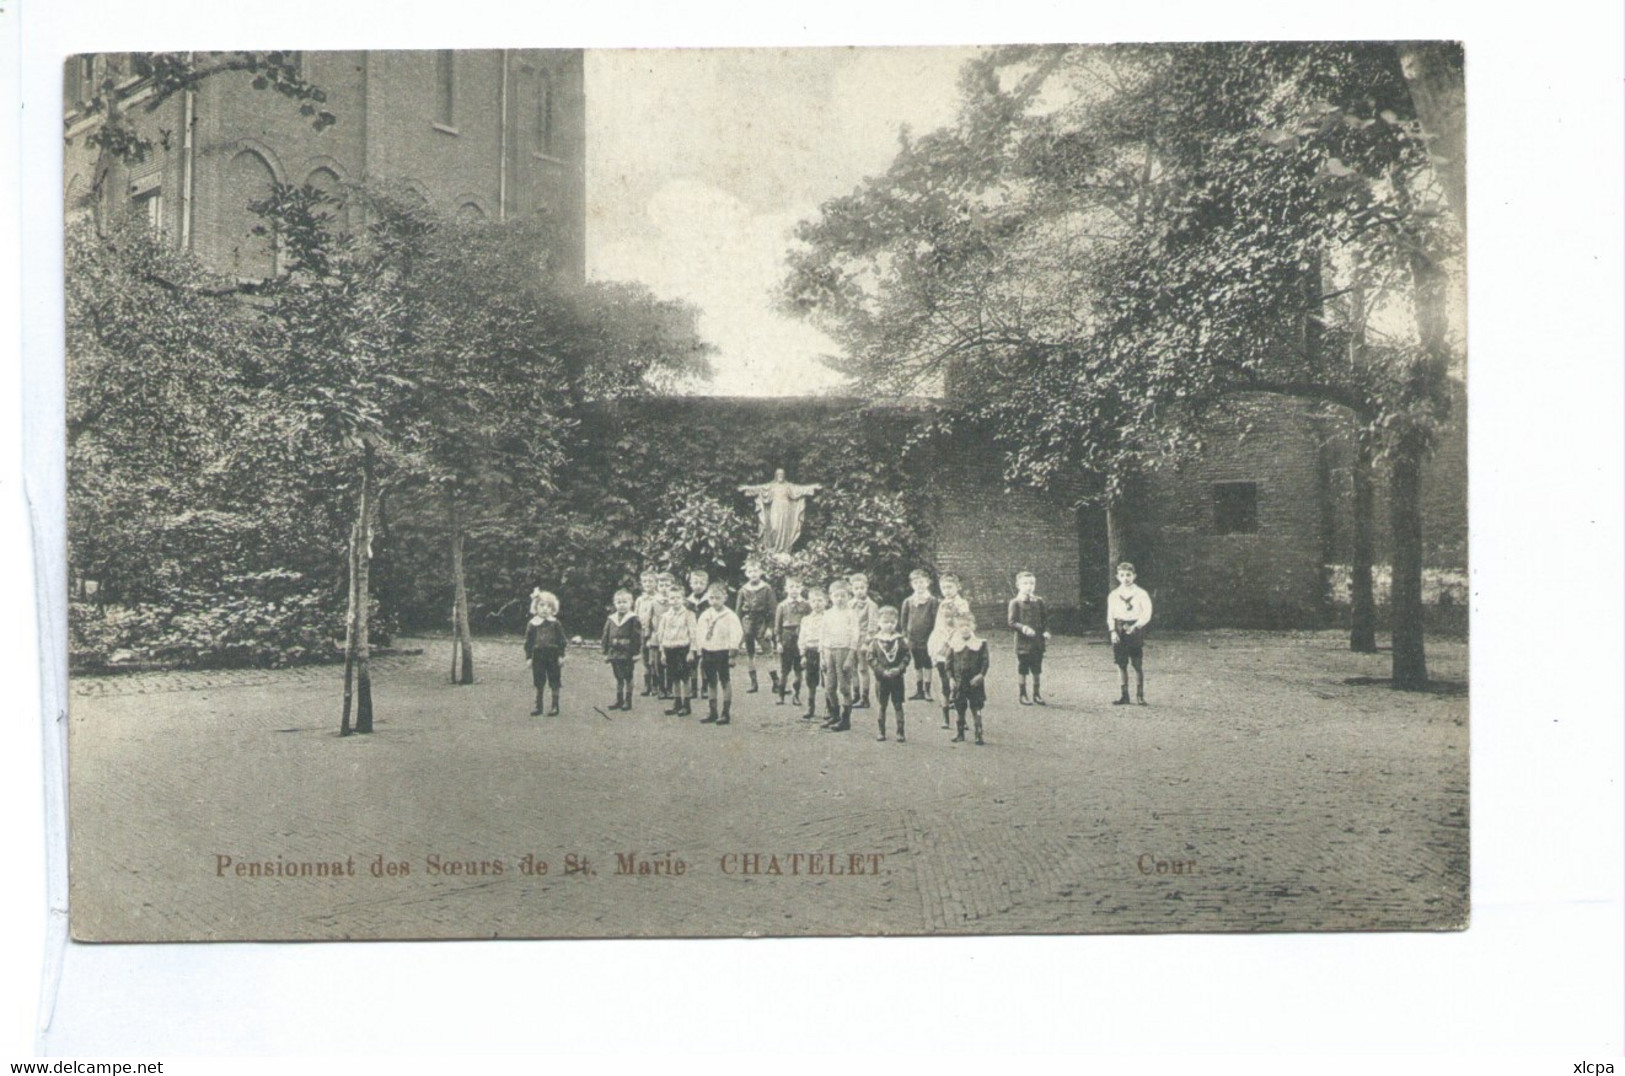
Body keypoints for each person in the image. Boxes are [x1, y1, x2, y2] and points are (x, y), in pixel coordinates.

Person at [737, 468, 822, 553]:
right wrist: (746, 488)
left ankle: (783, 549)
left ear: (784, 476)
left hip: (786, 509)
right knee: (774, 527)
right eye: (779, 474)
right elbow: (759, 488)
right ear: (776, 476)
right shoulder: (771, 486)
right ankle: (772, 548)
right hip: (775, 507)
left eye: (782, 474)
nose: (780, 476)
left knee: (785, 529)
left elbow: (800, 489)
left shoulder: (788, 486)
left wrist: (813, 486)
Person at [695, 582, 745, 725]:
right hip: (708, 651)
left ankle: (725, 713)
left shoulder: (730, 615)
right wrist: (700, 649)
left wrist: (732, 654)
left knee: (724, 680)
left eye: (717, 598)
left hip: (722, 651)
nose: (714, 601)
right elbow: (700, 633)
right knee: (711, 681)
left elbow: (736, 634)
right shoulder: (705, 614)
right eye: (711, 598)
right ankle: (712, 711)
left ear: (725, 598)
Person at [927, 574, 972, 728]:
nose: (947, 590)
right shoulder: (942, 604)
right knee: (944, 680)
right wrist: (935, 644)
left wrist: (954, 639)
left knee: (959, 680)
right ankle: (945, 718)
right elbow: (938, 625)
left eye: (950, 587)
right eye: (944, 587)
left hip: (956, 642)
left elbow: (964, 624)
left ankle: (962, 719)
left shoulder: (962, 604)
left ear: (957, 587)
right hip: (942, 642)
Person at [1108, 562, 1154, 705]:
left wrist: (1136, 626)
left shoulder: (1141, 594)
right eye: (1122, 575)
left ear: (1134, 576)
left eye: (1128, 575)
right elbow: (1110, 614)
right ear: (1117, 577)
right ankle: (1124, 695)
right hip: (1120, 628)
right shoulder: (1114, 595)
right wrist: (1113, 631)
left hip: (1134, 628)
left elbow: (1147, 613)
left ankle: (1140, 695)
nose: (1125, 578)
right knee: (1121, 663)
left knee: (1136, 663)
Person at [819, 580, 861, 732]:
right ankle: (834, 714)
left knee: (844, 687)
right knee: (829, 687)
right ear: (830, 597)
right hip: (829, 651)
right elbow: (823, 635)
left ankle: (845, 719)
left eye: (843, 596)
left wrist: (850, 656)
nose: (840, 599)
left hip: (844, 651)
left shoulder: (851, 614)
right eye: (836, 596)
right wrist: (822, 656)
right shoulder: (828, 614)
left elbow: (855, 636)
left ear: (849, 596)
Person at [1008, 570, 1051, 706]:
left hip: (1037, 642)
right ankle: (1023, 694)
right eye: (1025, 583)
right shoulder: (1015, 602)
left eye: (1032, 583)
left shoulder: (1039, 602)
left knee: (1037, 668)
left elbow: (1045, 620)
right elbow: (1011, 622)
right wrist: (1023, 628)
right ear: (1018, 585)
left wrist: (1046, 631)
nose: (1029, 586)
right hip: (1023, 643)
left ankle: (1036, 694)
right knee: (1023, 668)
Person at [945, 614, 990, 745]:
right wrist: (951, 679)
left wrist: (981, 675)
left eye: (968, 625)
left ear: (973, 627)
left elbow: (985, 662)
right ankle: (960, 734)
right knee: (960, 708)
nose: (965, 628)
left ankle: (978, 734)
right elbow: (948, 664)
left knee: (976, 708)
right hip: (959, 683)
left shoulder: (980, 644)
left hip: (974, 682)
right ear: (957, 628)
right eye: (961, 626)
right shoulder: (953, 644)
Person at [867, 606, 910, 743]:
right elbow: (870, 658)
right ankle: (881, 731)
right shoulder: (875, 641)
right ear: (879, 623)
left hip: (897, 678)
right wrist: (881, 671)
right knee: (882, 705)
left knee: (898, 705)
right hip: (882, 679)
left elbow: (907, 656)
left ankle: (900, 732)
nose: (888, 625)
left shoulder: (900, 640)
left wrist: (900, 669)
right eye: (885, 622)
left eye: (892, 622)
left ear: (896, 623)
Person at [735, 558, 777, 694]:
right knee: (750, 653)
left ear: (761, 572)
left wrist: (770, 627)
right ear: (746, 573)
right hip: (747, 622)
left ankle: (776, 682)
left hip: (762, 622)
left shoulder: (767, 588)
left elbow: (773, 609)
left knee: (768, 652)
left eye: (756, 570)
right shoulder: (743, 590)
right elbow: (738, 611)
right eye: (750, 571)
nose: (753, 573)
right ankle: (754, 683)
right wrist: (738, 631)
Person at [658, 580, 699, 717]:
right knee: (674, 677)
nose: (674, 601)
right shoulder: (665, 616)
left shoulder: (689, 614)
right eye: (672, 598)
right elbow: (661, 635)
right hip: (669, 650)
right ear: (668, 599)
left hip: (683, 649)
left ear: (682, 599)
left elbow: (693, 634)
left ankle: (686, 705)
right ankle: (677, 704)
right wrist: (662, 652)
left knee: (684, 677)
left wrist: (692, 651)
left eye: (677, 598)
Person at [524, 591, 568, 717]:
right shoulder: (532, 624)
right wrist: (528, 657)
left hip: (553, 654)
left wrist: (561, 655)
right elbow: (528, 642)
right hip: (538, 655)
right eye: (542, 605)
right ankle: (538, 706)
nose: (545, 609)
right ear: (536, 607)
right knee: (539, 680)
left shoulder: (555, 623)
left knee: (554, 679)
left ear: (553, 609)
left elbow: (562, 641)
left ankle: (555, 706)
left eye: (549, 606)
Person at [601, 588, 643, 712]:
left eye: (625, 602)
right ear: (615, 604)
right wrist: (605, 652)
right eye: (619, 602)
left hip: (627, 652)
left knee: (628, 676)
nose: (622, 605)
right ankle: (619, 700)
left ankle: (627, 701)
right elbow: (606, 635)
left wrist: (636, 653)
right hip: (614, 652)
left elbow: (637, 637)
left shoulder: (633, 619)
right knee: (618, 676)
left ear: (631, 603)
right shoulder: (611, 618)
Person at [900, 569, 938, 702]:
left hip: (927, 638)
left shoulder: (932, 601)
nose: (919, 585)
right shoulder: (908, 601)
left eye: (922, 582)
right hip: (913, 639)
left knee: (927, 663)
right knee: (917, 663)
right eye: (916, 582)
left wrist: (934, 637)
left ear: (927, 583)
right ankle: (919, 690)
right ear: (912, 585)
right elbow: (903, 621)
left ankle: (927, 691)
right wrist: (905, 635)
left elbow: (935, 620)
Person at [773, 575, 810, 706]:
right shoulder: (782, 605)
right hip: (786, 638)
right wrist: (778, 642)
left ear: (802, 588)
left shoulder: (806, 605)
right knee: (784, 670)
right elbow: (777, 626)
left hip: (801, 638)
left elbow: (810, 623)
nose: (794, 590)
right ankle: (781, 695)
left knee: (798, 669)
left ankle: (796, 696)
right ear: (786, 589)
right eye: (791, 587)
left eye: (797, 587)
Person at [849, 572, 880, 709]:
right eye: (856, 588)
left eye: (862, 587)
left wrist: (867, 642)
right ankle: (855, 695)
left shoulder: (871, 605)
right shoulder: (849, 604)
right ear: (852, 589)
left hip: (863, 639)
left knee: (863, 669)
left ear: (867, 587)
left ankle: (864, 698)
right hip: (851, 640)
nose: (859, 591)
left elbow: (873, 625)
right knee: (852, 668)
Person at [798, 586, 827, 721]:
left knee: (827, 680)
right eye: (814, 601)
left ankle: (829, 707)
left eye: (820, 600)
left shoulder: (829, 617)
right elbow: (802, 637)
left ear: (826, 601)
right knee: (811, 680)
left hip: (825, 652)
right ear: (809, 602)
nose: (817, 604)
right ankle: (811, 707)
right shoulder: (806, 619)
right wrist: (802, 654)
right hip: (810, 651)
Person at [634, 571, 662, 697]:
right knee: (645, 659)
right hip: (642, 632)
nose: (647, 584)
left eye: (651, 581)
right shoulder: (640, 600)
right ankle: (647, 685)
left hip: (653, 633)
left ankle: (656, 685)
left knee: (654, 660)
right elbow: (636, 616)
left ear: (656, 583)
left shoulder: (659, 598)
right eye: (645, 581)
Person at [684, 570, 710, 698]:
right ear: (690, 584)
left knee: (705, 662)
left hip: (705, 634)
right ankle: (693, 688)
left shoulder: (709, 600)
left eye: (701, 583)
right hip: (692, 634)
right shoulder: (687, 601)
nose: (698, 585)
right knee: (692, 661)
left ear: (706, 585)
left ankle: (705, 687)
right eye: (695, 583)